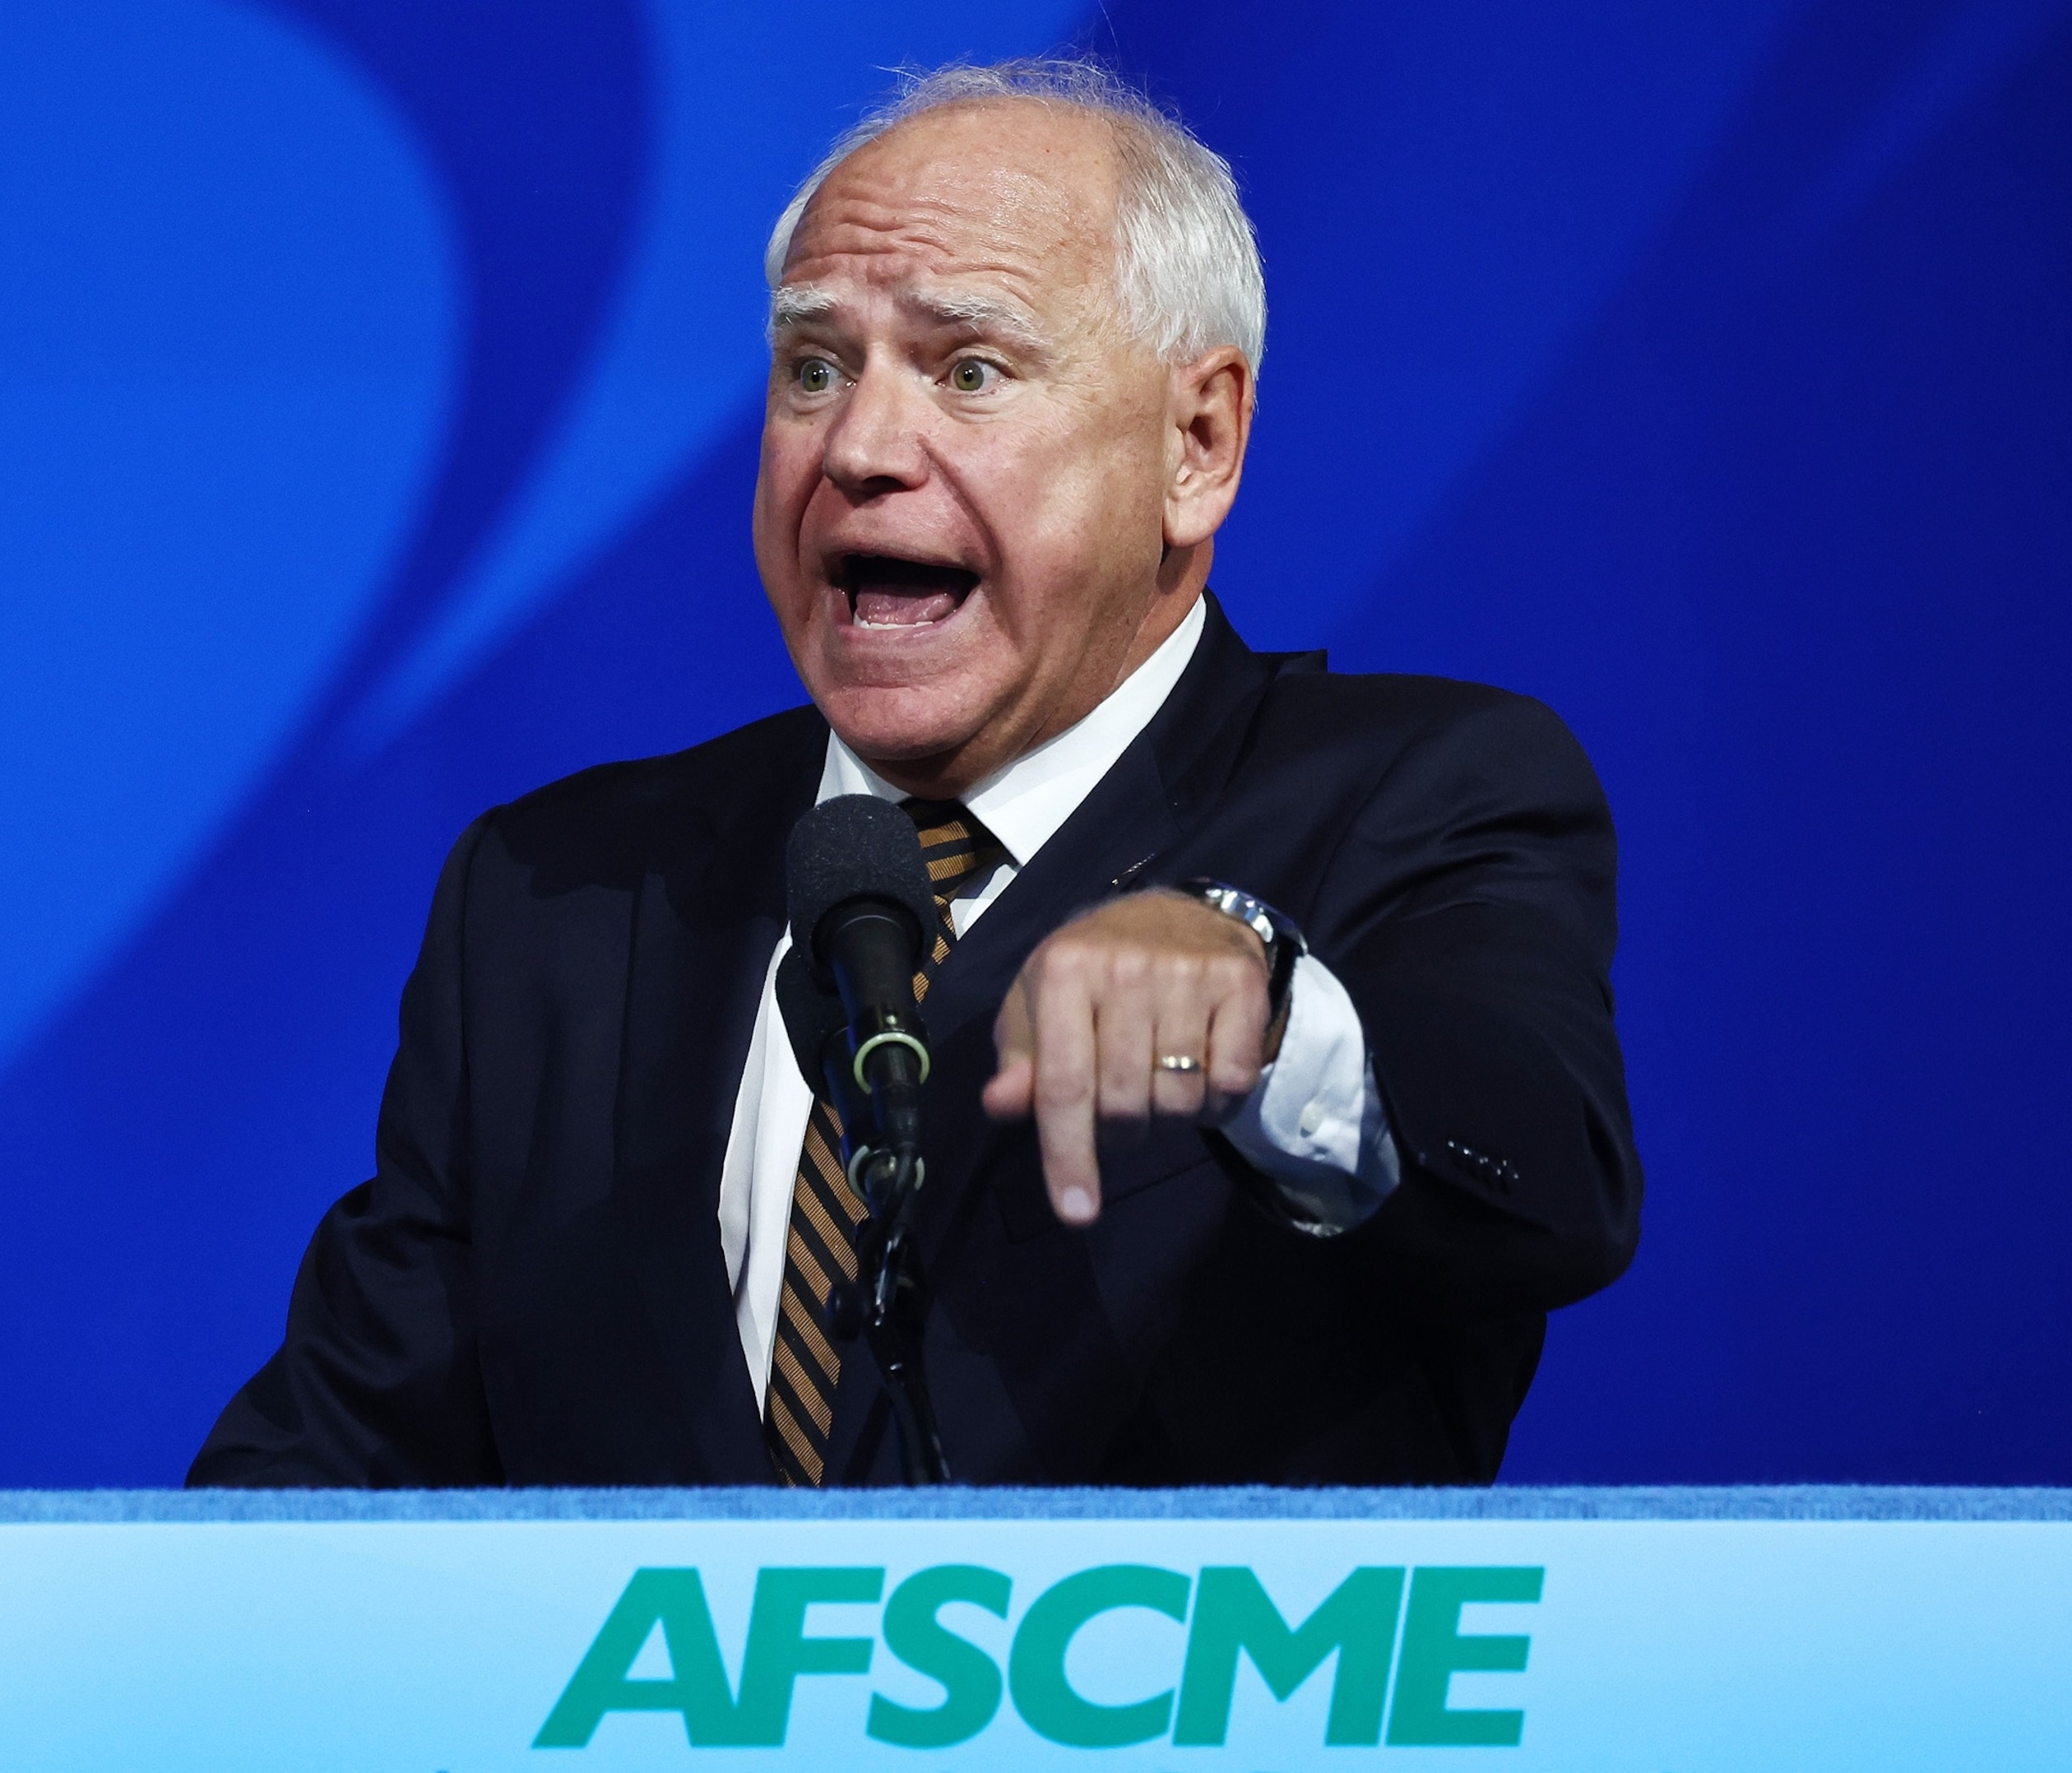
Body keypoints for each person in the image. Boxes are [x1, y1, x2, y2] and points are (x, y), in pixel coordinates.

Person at [190, 58, 1639, 1489]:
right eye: (814, 368)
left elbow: (1537, 1176)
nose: (862, 446)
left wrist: (1264, 1005)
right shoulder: (557, 894)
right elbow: (332, 1478)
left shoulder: (1423, 793)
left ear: (1196, 445)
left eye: (970, 369)